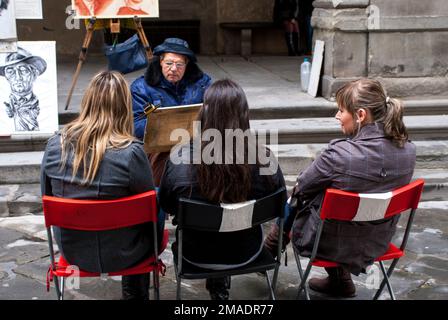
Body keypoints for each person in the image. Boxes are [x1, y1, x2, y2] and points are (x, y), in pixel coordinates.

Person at [264, 78, 416, 297]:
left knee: (301, 194)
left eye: (341, 110)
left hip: (329, 243)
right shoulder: (408, 152)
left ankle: (271, 248)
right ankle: (339, 279)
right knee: (330, 195)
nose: (337, 116)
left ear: (360, 115)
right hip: (377, 241)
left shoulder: (339, 156)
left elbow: (302, 187)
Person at [41, 71, 164, 300]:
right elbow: (150, 212)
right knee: (154, 203)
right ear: (124, 107)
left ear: (87, 102)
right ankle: (135, 295)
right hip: (127, 254)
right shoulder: (132, 152)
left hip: (75, 252)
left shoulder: (54, 146)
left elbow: (46, 196)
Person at [159, 79, 286, 300]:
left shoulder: (180, 159)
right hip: (248, 253)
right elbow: (279, 202)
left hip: (195, 255)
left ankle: (218, 282)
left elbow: (167, 205)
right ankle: (219, 283)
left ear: (204, 114)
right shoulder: (265, 160)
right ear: (244, 115)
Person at [131, 37, 212, 185]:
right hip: (159, 148)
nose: (174, 69)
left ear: (187, 64)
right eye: (169, 63)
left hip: (195, 143)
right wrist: (168, 130)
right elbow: (137, 125)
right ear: (160, 61)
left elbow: (213, 115)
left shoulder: (202, 83)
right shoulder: (141, 87)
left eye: (179, 64)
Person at [0, 47, 47, 132]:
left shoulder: (42, 104)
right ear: (6, 77)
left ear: (34, 74)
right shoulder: (6, 103)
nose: (18, 77)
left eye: (23, 70)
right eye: (10, 72)